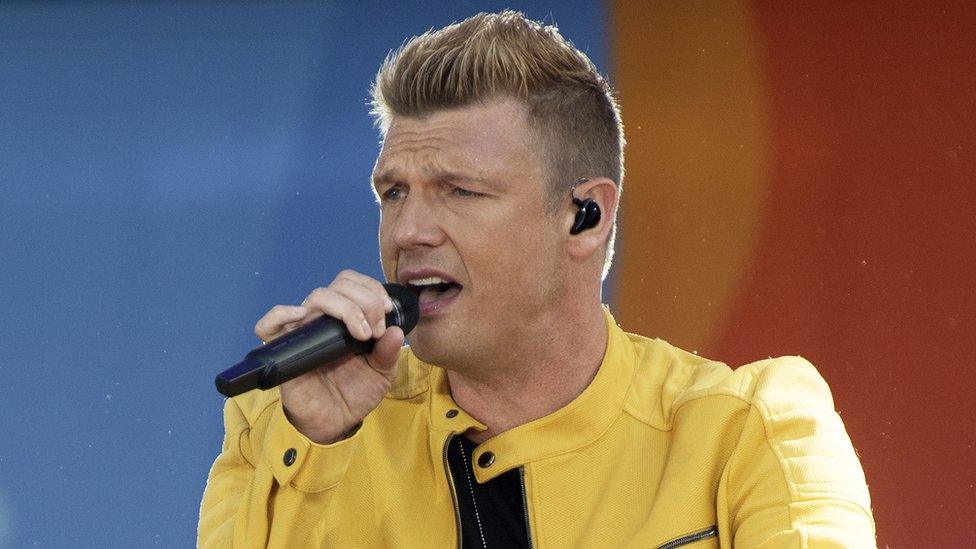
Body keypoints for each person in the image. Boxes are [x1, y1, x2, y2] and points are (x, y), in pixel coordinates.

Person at [198, 11, 875, 548]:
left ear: (586, 219)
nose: (408, 232)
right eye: (393, 192)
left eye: (460, 191)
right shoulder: (288, 432)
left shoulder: (752, 428)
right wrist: (314, 450)